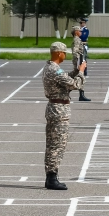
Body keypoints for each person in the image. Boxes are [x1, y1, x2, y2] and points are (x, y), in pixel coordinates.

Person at [42, 41, 86, 190]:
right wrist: (80, 72)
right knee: (57, 145)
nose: (65, 55)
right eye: (64, 53)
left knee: (52, 144)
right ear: (59, 53)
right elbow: (74, 85)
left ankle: (51, 175)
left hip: (54, 108)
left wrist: (74, 72)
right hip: (59, 109)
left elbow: (65, 78)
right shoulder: (55, 70)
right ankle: (52, 177)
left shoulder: (50, 67)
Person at [71, 26, 90, 102]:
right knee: (80, 76)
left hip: (80, 59)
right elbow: (75, 51)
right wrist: (79, 62)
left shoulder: (78, 39)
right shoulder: (77, 40)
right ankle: (81, 95)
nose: (81, 32)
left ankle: (81, 94)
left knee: (76, 76)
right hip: (78, 60)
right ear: (76, 32)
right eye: (79, 31)